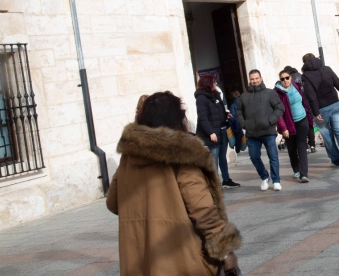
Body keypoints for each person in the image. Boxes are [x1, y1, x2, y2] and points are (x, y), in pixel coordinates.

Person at [107, 91, 241, 276]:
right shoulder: (183, 153)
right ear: (177, 119)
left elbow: (113, 203)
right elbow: (202, 208)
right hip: (181, 259)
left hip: (139, 263)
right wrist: (225, 250)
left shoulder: (128, 157)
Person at [301, 53, 339, 168]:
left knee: (327, 135)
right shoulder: (326, 69)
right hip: (334, 104)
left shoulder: (305, 76)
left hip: (321, 109)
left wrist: (315, 112)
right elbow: (338, 83)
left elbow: (311, 96)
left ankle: (335, 160)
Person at [236, 69, 285, 191]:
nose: (255, 81)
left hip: (268, 131)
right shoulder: (244, 96)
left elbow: (279, 107)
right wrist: (244, 124)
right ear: (250, 80)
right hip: (252, 133)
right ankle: (264, 177)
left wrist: (271, 120)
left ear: (261, 78)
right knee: (253, 157)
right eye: (252, 79)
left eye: (257, 78)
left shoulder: (270, 93)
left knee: (273, 157)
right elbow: (239, 112)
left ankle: (276, 180)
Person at [195, 75, 241, 189]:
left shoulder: (216, 95)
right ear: (207, 83)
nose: (216, 83)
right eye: (213, 82)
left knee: (222, 157)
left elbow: (219, 111)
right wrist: (211, 132)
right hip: (213, 134)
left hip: (222, 130)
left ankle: (226, 179)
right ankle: (215, 183)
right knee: (213, 159)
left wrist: (226, 115)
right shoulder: (201, 98)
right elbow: (203, 117)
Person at [274, 70, 313, 183]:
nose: (285, 80)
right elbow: (279, 113)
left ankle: (304, 174)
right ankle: (296, 169)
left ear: (290, 78)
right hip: (289, 123)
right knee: (291, 148)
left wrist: (309, 116)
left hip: (302, 120)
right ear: (280, 80)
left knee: (301, 146)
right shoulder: (277, 93)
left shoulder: (296, 86)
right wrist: (283, 128)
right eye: (282, 79)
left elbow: (304, 102)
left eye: (287, 78)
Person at [283, 65, 317, 153]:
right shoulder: (301, 76)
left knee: (301, 127)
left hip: (299, 104)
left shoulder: (290, 80)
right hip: (307, 102)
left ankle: (305, 146)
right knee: (310, 125)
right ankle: (312, 145)